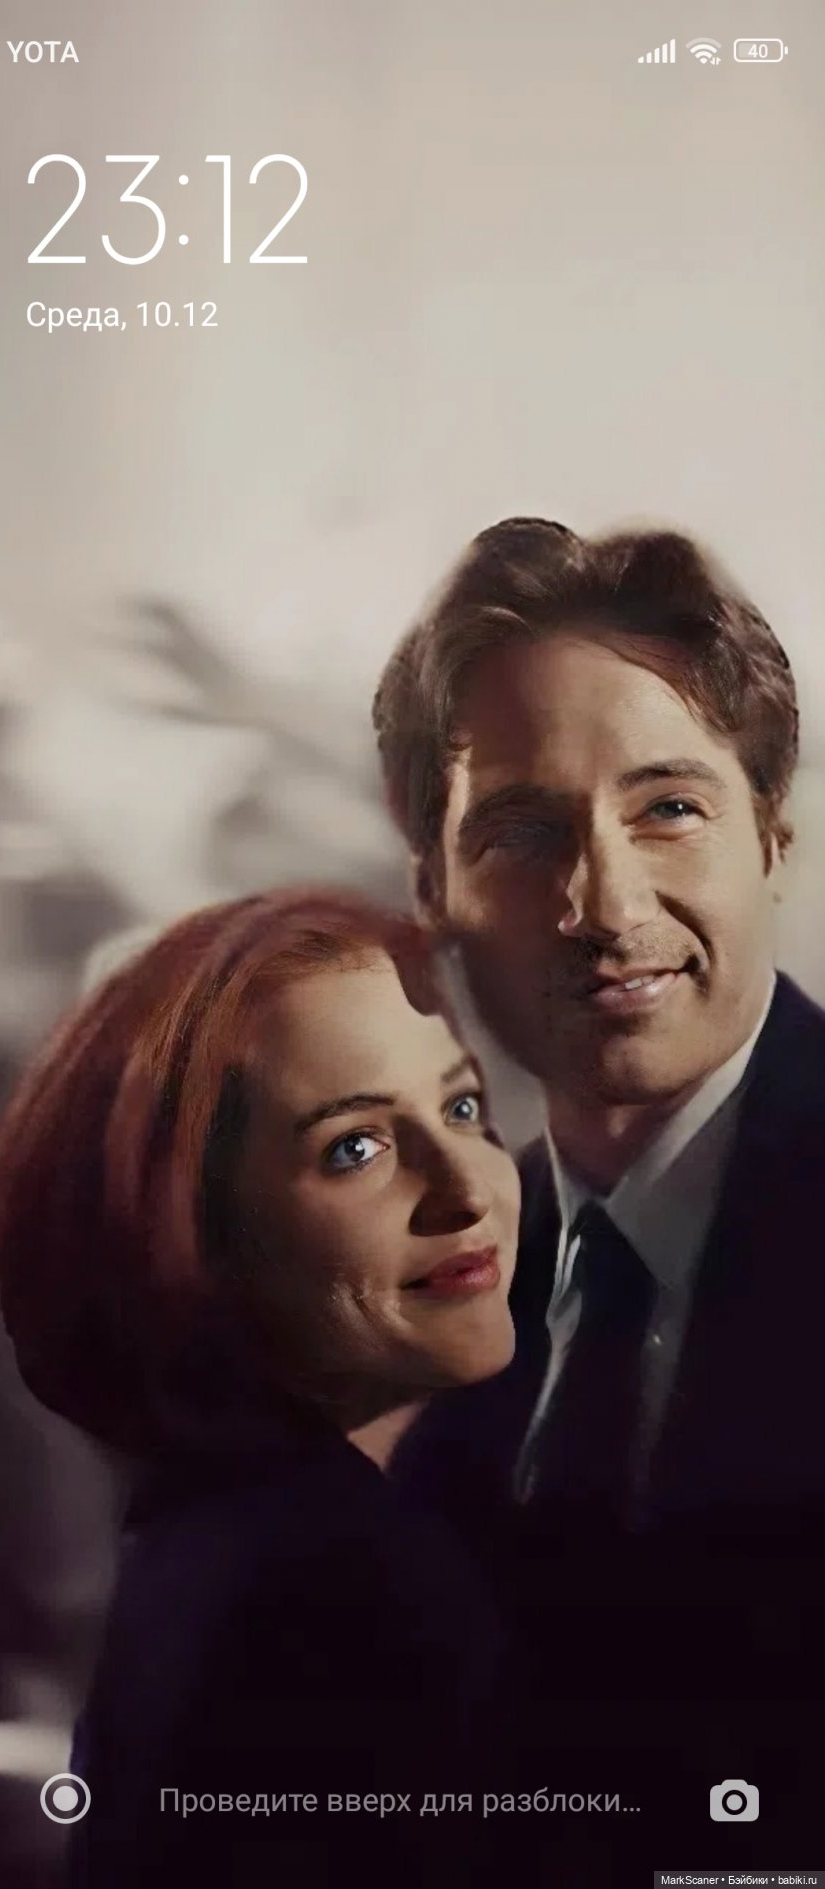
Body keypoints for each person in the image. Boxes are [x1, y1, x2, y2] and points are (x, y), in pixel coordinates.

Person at [373, 517, 825, 1865]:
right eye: (520, 832)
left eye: (668, 808)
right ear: (433, 893)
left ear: (772, 840)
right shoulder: (439, 1283)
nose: (604, 904)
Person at [0, 889, 522, 1887]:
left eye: (460, 1107)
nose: (466, 1188)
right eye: (354, 1147)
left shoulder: (215, 1541)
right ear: (198, 1239)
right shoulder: (340, 1590)